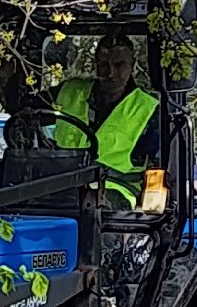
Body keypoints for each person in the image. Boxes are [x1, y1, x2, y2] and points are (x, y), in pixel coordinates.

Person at [55, 33, 161, 207]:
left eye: (119, 65)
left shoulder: (149, 110)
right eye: (104, 65)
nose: (110, 73)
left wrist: (154, 208)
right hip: (61, 187)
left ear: (132, 66)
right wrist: (8, 79)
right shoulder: (69, 92)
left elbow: (159, 165)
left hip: (117, 194)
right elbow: (24, 108)